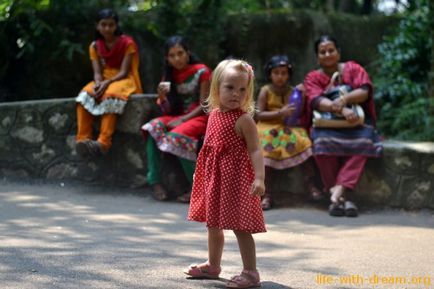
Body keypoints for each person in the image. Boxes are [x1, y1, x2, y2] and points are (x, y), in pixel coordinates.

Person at [185, 59, 266, 288]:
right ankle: (213, 265)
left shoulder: (244, 120)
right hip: (215, 180)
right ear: (216, 88)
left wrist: (259, 178)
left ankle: (251, 272)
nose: (236, 94)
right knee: (213, 224)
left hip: (236, 181)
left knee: (240, 227)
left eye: (242, 90)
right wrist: (200, 174)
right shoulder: (213, 115)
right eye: (230, 88)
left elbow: (256, 150)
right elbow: (209, 149)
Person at [304, 35, 382, 217]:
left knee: (365, 142)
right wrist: (341, 110)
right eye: (322, 52)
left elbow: (364, 90)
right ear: (317, 57)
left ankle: (336, 191)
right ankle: (344, 198)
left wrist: (345, 99)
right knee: (321, 144)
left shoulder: (353, 68)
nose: (327, 54)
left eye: (331, 50)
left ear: (339, 53)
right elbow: (315, 100)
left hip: (357, 123)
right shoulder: (313, 77)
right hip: (327, 124)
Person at [141, 36, 211, 203]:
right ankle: (155, 181)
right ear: (167, 58)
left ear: (188, 53)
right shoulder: (169, 75)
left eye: (180, 53)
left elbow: (206, 104)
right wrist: (161, 97)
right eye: (172, 55)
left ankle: (199, 188)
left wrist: (184, 119)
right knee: (152, 127)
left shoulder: (202, 71)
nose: (177, 59)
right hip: (178, 116)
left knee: (176, 137)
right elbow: (167, 109)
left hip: (200, 117)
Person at [256, 55, 322, 210]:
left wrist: (303, 97)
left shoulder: (293, 91)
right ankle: (267, 194)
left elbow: (299, 113)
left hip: (288, 126)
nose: (280, 77)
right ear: (270, 74)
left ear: (289, 74)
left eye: (284, 73)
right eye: (276, 73)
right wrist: (280, 112)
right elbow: (259, 114)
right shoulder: (265, 91)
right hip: (267, 125)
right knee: (267, 146)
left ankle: (312, 185)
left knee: (303, 141)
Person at [75, 8, 142, 158]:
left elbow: (124, 71)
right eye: (103, 24)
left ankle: (103, 143)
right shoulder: (94, 46)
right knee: (84, 96)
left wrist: (106, 84)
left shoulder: (127, 43)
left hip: (123, 79)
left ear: (116, 25)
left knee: (111, 96)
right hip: (104, 78)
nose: (107, 28)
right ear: (97, 26)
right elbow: (97, 72)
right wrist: (98, 83)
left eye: (111, 25)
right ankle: (83, 140)